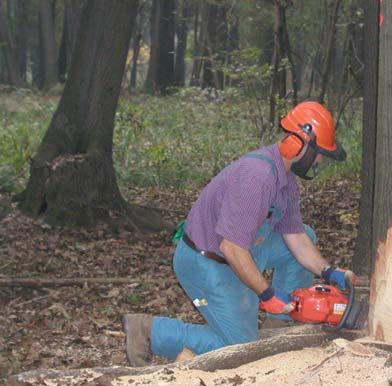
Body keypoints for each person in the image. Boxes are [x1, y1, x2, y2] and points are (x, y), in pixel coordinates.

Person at [123, 101, 355, 367]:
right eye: (320, 153)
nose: (321, 160)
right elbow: (232, 248)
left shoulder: (287, 181)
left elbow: (297, 239)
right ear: (298, 144)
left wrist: (330, 272)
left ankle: (280, 326)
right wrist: (268, 295)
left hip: (244, 250)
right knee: (242, 349)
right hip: (208, 263)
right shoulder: (256, 178)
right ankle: (151, 331)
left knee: (307, 234)